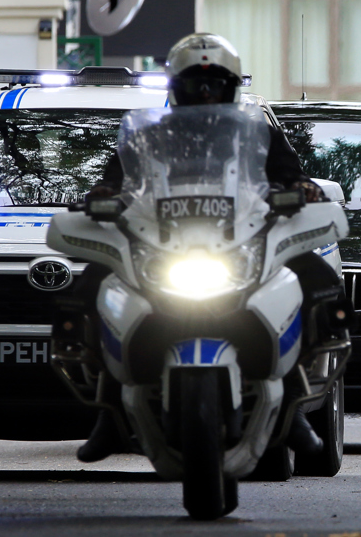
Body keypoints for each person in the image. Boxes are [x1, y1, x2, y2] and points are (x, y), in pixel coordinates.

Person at [69, 32, 344, 464]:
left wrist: (301, 188)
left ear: (231, 84)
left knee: (316, 280)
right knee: (90, 287)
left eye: (214, 82)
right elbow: (118, 178)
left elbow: (289, 174)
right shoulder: (150, 133)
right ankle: (108, 411)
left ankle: (294, 406)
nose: (205, 91)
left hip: (241, 238)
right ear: (175, 87)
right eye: (195, 83)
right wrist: (102, 193)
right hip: (164, 243)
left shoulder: (256, 130)